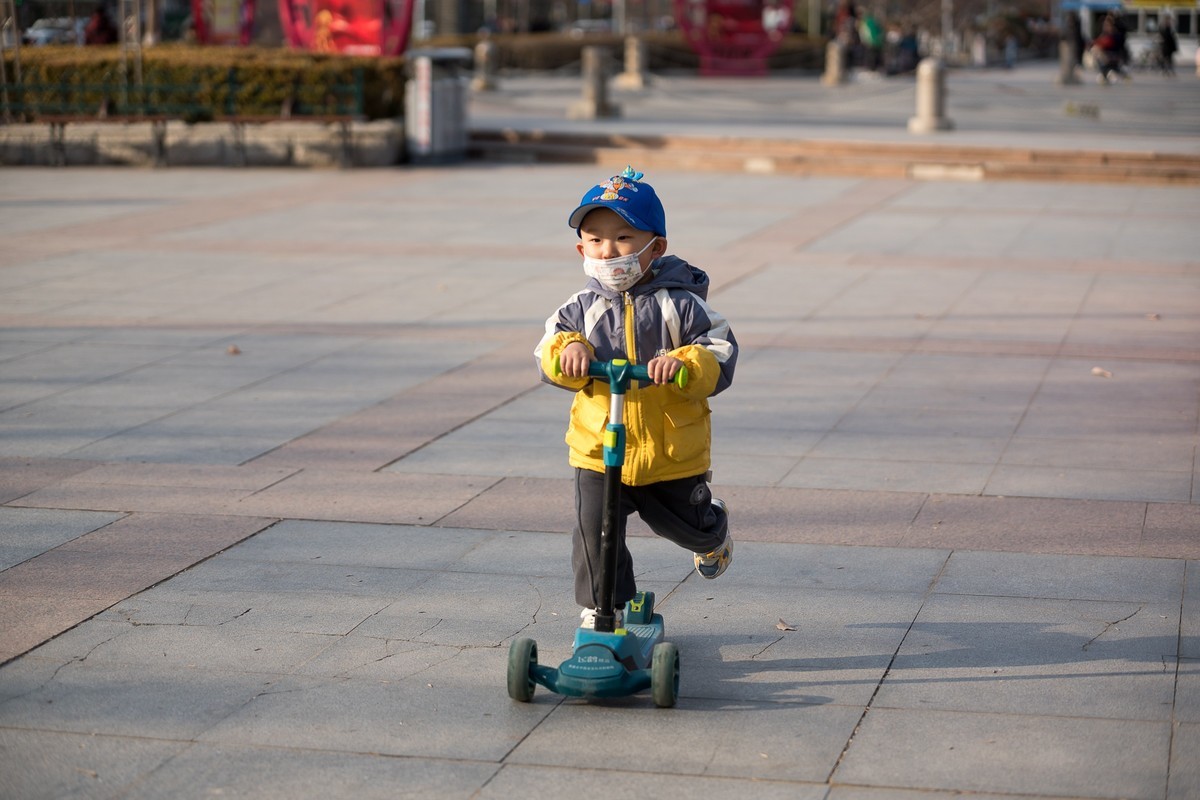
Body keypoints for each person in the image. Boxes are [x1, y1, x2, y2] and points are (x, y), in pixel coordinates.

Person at [536, 166, 738, 629]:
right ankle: (603, 608)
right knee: (595, 531)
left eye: (624, 238)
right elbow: (549, 347)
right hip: (599, 446)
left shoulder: (682, 304)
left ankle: (712, 531)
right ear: (581, 249)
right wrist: (569, 353)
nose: (609, 251)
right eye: (596, 240)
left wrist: (686, 365)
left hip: (669, 451)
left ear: (656, 247)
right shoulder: (578, 308)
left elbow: (720, 352)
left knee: (683, 525)